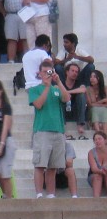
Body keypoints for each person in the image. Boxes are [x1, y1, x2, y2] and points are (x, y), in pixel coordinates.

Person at [30, 59, 71, 198]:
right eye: (45, 72)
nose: (47, 74)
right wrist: (47, 86)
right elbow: (38, 104)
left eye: (49, 71)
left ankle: (51, 194)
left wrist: (58, 82)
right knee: (40, 164)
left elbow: (66, 98)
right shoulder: (34, 89)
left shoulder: (56, 89)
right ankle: (39, 193)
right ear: (39, 73)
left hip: (58, 130)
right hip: (42, 131)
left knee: (53, 166)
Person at [60, 62, 88, 140]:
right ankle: (62, 126)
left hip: (76, 111)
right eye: (72, 71)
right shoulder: (61, 83)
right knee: (60, 99)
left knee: (81, 96)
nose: (75, 73)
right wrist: (65, 94)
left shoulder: (79, 82)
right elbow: (57, 89)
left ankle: (80, 124)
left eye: (76, 72)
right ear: (67, 72)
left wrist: (67, 92)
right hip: (64, 110)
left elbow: (83, 89)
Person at [86, 131, 107, 198]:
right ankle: (96, 201)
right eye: (95, 140)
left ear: (105, 140)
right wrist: (102, 172)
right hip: (94, 176)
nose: (97, 141)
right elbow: (94, 169)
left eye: (99, 139)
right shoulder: (91, 152)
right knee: (98, 176)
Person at [87, 70, 107, 136]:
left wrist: (98, 103)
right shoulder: (88, 89)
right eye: (91, 77)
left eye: (94, 77)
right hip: (92, 112)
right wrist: (102, 102)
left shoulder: (105, 88)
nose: (92, 79)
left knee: (103, 110)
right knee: (95, 109)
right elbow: (90, 104)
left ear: (99, 78)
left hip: (103, 112)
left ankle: (105, 133)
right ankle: (98, 133)